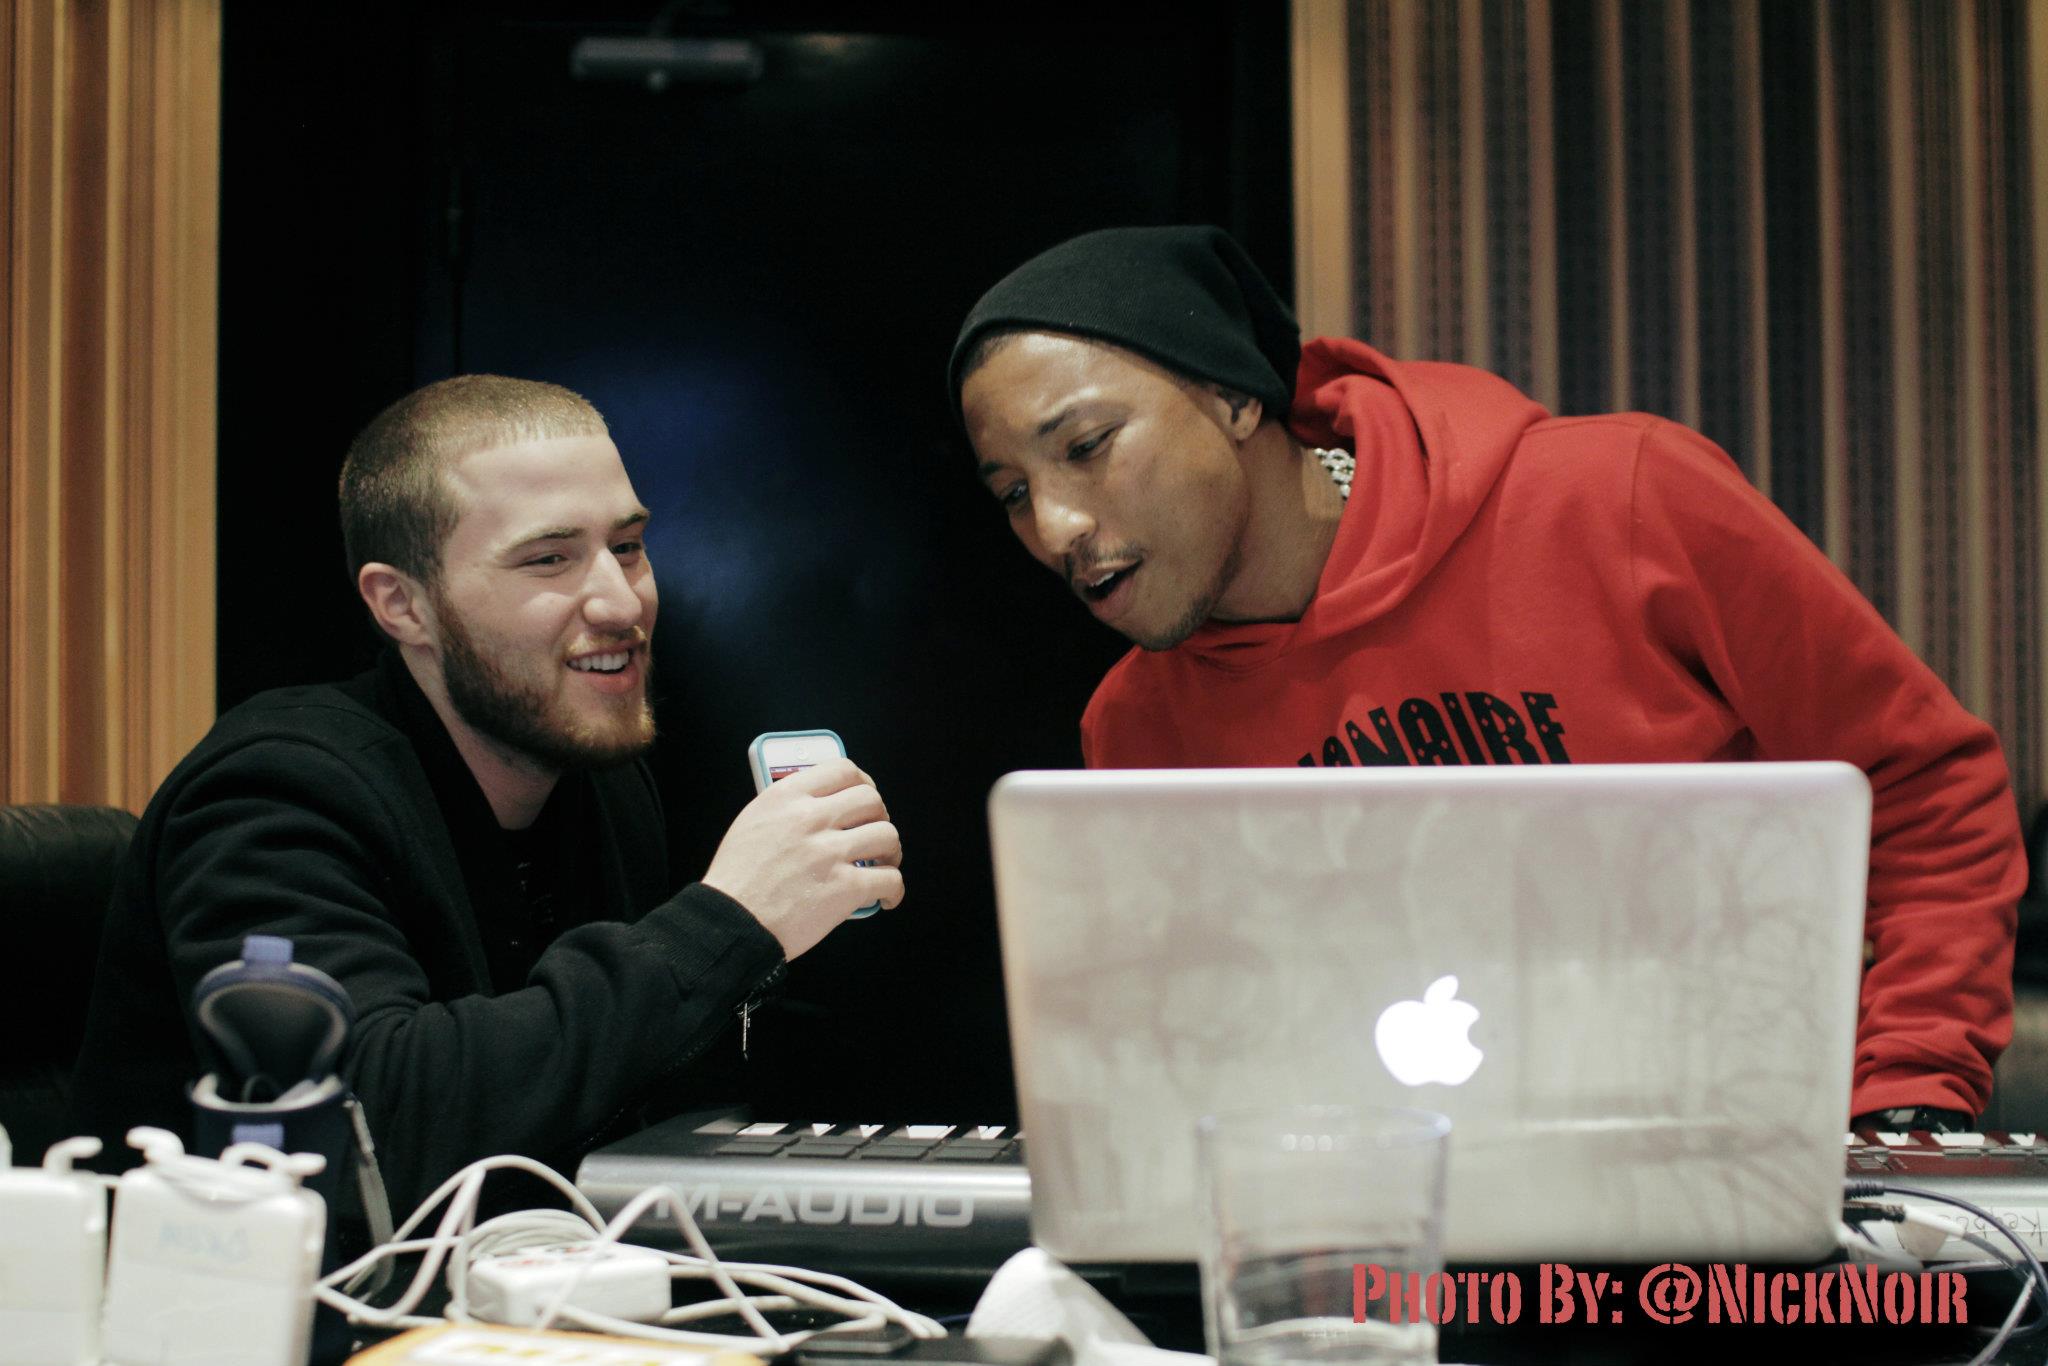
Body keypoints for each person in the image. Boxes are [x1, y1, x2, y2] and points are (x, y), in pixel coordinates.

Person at [950, 225, 2024, 1132]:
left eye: (1085, 445)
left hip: (1741, 1175)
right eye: (1009, 493)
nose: (1055, 528)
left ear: (1234, 399)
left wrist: (1906, 1104)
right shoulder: (1135, 728)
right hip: (1378, 1230)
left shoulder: (1617, 501)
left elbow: (1925, 792)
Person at [69, 375, 903, 1209]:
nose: (622, 601)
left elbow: (637, 1105)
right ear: (404, 605)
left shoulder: (600, 782)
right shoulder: (272, 792)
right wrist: (728, 924)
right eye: (549, 559)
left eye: (628, 546)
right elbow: (367, 1131)